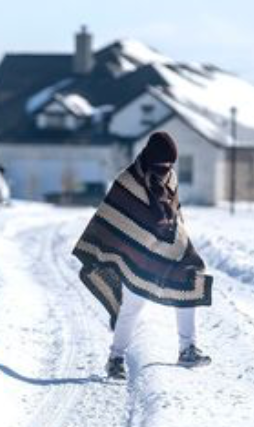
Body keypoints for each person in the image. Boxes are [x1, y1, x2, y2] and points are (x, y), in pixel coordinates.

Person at [72, 132, 212, 380]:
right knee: (132, 307)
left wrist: (179, 242)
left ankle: (187, 349)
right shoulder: (128, 180)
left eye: (170, 164)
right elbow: (113, 217)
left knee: (189, 282)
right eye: (162, 164)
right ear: (151, 158)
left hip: (169, 251)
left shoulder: (170, 178)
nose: (166, 169)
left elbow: (175, 215)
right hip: (137, 254)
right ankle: (115, 359)